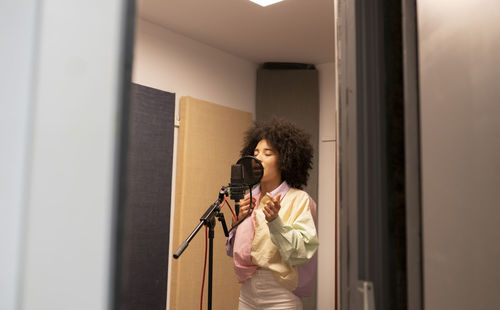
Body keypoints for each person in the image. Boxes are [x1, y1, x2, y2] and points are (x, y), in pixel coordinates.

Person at [226, 119, 319, 310]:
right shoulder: (249, 197)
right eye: (255, 153)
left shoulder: (300, 200)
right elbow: (232, 251)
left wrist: (275, 222)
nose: (257, 158)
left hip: (281, 295)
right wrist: (237, 222)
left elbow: (300, 253)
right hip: (247, 293)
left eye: (267, 153)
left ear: (285, 160)